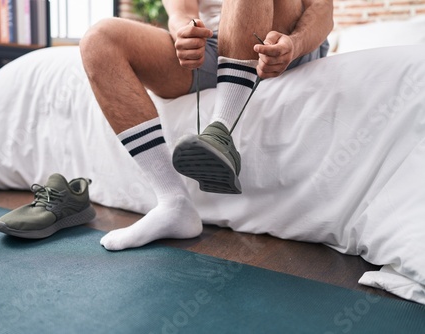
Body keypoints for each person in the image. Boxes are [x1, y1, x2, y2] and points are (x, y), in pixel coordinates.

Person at [79, 0, 334, 251]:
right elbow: (180, 12)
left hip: (283, 42)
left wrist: (295, 43)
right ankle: (173, 203)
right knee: (98, 40)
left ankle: (220, 131)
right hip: (215, 45)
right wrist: (185, 34)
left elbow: (322, 10)